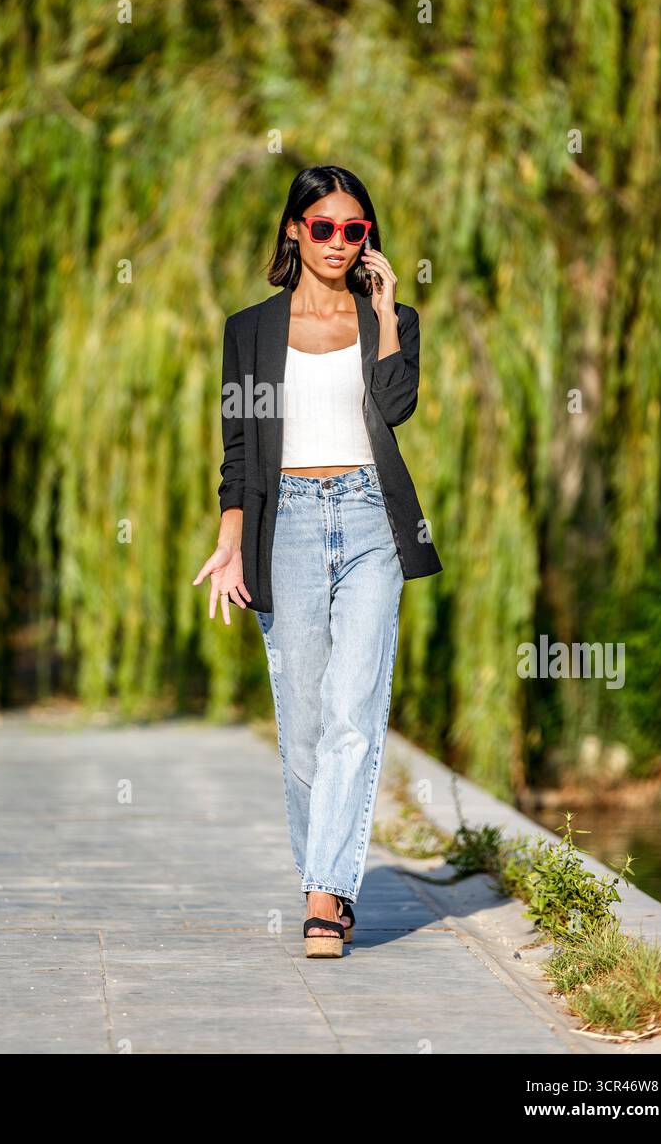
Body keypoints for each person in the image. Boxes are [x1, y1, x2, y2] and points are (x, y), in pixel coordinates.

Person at [193, 165, 442, 957]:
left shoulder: (388, 316)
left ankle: (324, 896)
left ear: (369, 239)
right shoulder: (250, 330)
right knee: (301, 725)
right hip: (287, 524)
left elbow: (396, 405)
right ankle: (324, 880)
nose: (340, 242)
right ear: (295, 230)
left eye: (356, 230)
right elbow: (239, 449)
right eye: (325, 227)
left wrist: (387, 312)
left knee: (353, 717)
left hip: (371, 518)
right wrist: (231, 541)